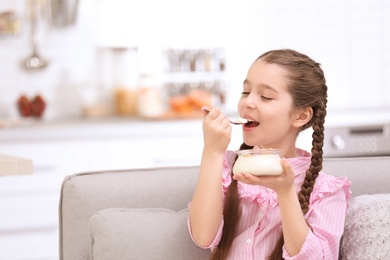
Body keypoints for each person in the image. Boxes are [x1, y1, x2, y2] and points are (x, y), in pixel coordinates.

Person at [187, 49, 351, 260]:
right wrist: (211, 152)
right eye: (246, 92)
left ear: (301, 115)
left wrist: (285, 193)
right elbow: (203, 237)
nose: (248, 102)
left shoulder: (326, 192)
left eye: (265, 96)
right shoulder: (226, 167)